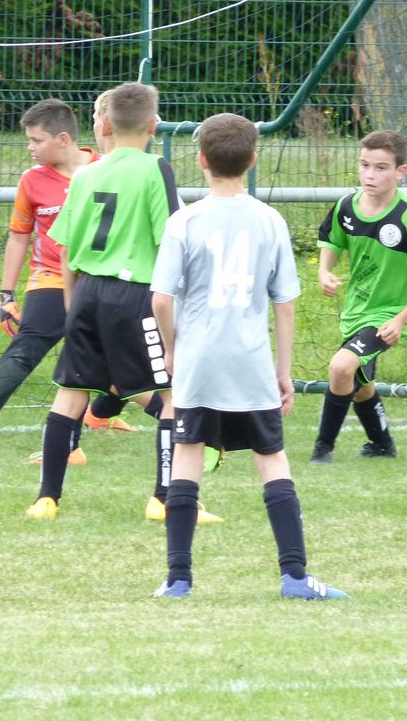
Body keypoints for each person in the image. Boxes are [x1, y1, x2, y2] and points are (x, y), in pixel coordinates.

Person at [150, 113, 347, 600]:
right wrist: (283, 372)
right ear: (252, 161)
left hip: (199, 361)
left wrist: (173, 351)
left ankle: (178, 579)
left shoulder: (184, 220)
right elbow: (285, 303)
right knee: (272, 459)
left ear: (201, 160)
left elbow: (161, 300)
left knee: (187, 457)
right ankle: (295, 577)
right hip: (250, 361)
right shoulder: (269, 220)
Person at [24, 81, 219, 523]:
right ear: (153, 125)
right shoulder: (155, 169)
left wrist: (73, 307)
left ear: (106, 125)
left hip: (87, 292)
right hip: (135, 294)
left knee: (70, 394)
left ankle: (46, 499)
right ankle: (165, 499)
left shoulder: (86, 173)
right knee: (171, 394)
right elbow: (171, 240)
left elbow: (66, 250)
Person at [0, 98, 126, 463]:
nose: (30, 147)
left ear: (62, 139)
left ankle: (101, 415)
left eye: (36, 140)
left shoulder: (107, 169)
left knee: (119, 356)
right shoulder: (31, 180)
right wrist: (6, 293)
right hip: (51, 276)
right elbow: (19, 236)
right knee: (27, 345)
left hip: (100, 279)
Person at [312, 130, 407, 464]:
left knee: (341, 368)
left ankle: (323, 450)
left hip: (389, 314)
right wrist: (324, 271)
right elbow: (332, 242)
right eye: (365, 165)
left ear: (401, 171)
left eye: (381, 168)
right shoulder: (346, 206)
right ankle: (382, 444)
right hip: (357, 310)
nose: (370, 175)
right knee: (360, 383)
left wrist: (400, 320)